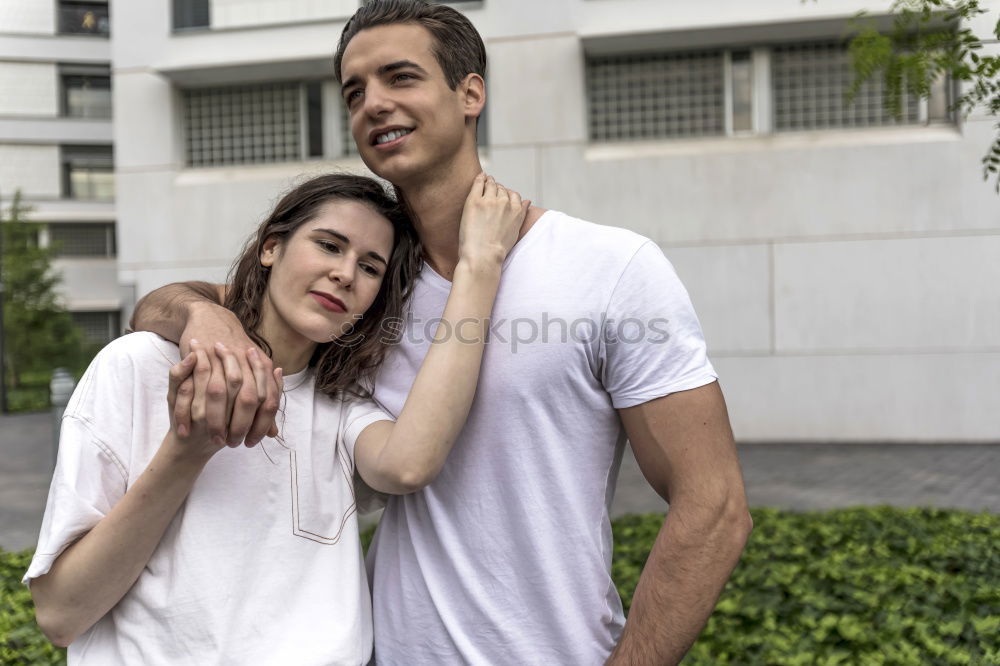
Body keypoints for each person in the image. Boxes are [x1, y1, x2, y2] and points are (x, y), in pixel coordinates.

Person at [131, 1, 754, 664]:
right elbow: (164, 307)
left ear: (470, 93)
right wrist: (208, 319)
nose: (372, 103)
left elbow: (713, 508)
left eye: (400, 78)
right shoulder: (360, 288)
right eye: (355, 91)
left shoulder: (608, 269)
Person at [24, 172, 529, 665]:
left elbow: (408, 466)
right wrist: (188, 450)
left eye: (370, 267)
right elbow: (61, 613)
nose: (345, 273)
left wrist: (480, 267)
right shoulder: (140, 366)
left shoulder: (344, 407)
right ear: (271, 247)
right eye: (329, 245)